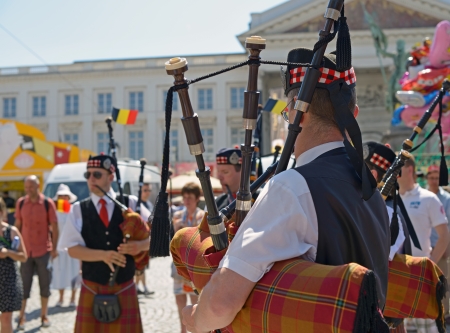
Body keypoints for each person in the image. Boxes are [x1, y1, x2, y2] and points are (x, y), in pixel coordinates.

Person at [180, 48, 390, 332]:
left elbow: (220, 304)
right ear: (353, 114)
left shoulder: (292, 187)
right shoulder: (372, 192)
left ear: (296, 114)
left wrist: (195, 319)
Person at [58, 154, 150, 333]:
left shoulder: (130, 203)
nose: (91, 179)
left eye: (97, 175)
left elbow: (157, 238)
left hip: (124, 286)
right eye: (88, 174)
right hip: (91, 286)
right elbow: (72, 249)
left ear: (111, 177)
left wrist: (140, 246)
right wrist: (102, 255)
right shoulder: (78, 209)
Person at [397, 157, 450, 332]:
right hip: (397, 274)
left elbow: (444, 235)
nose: (393, 173)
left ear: (410, 170)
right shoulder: (388, 200)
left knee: (427, 328)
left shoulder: (429, 199)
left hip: (421, 275)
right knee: (403, 328)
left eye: (398, 169)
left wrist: (430, 265)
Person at [14, 175, 58, 330]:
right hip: (26, 251)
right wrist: (14, 246)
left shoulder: (47, 203)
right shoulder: (20, 203)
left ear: (38, 185)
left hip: (43, 251)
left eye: (31, 187)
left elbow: (54, 227)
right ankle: (21, 316)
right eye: (26, 187)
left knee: (44, 285)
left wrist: (54, 248)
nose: (28, 190)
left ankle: (44, 315)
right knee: (23, 286)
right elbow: (17, 226)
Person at [171, 182, 204, 333]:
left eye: (190, 197)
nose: (186, 200)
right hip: (178, 264)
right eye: (184, 197)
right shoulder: (177, 215)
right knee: (179, 300)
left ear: (197, 198)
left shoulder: (202, 216)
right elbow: (175, 237)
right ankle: (182, 330)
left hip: (194, 266)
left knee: (194, 301)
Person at [426, 164, 450, 322]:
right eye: (432, 178)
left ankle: (445, 313)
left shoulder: (447, 199)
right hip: (426, 247)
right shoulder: (423, 197)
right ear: (427, 179)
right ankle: (429, 312)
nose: (434, 181)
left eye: (437, 178)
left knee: (444, 281)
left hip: (441, 247)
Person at [0, 198, 27, 333]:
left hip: (8, 280)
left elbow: (24, 257)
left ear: (1, 212)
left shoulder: (12, 231)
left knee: (5, 318)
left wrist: (8, 253)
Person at [52, 184, 80, 307]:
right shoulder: (54, 212)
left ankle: (73, 298)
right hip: (59, 247)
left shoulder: (75, 210)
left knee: (74, 272)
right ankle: (61, 297)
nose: (63, 198)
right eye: (60, 196)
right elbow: (53, 230)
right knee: (60, 272)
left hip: (73, 246)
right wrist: (53, 248)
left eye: (65, 196)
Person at [134, 180, 154, 296]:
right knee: (139, 266)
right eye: (145, 190)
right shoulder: (138, 205)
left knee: (143, 265)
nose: (147, 193)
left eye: (149, 190)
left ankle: (142, 286)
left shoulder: (149, 204)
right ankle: (138, 287)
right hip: (140, 240)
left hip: (147, 240)